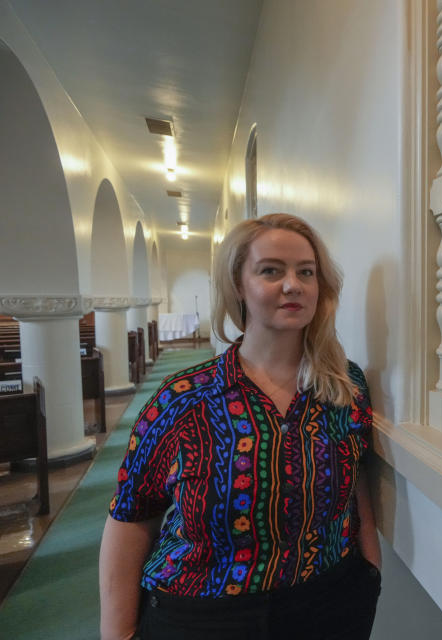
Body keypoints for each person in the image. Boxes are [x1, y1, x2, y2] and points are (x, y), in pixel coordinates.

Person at [99, 213, 381, 640]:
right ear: (237, 285)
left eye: (306, 272)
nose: (293, 284)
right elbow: (131, 517)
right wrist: (118, 633)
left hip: (327, 603)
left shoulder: (346, 386)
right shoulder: (184, 400)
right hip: (201, 614)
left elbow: (358, 483)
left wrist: (369, 574)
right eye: (271, 270)